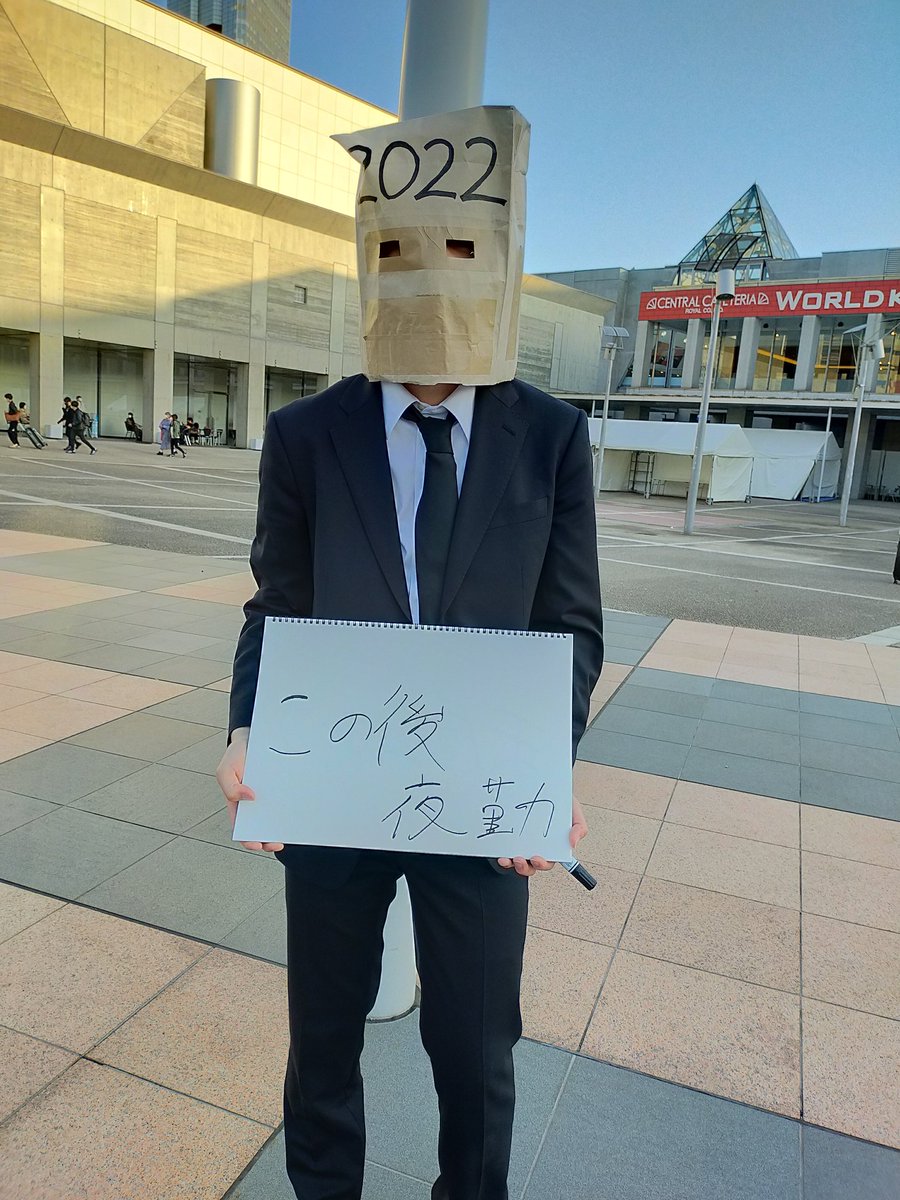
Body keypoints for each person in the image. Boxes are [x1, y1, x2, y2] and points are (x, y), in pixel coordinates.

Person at [216, 106, 604, 1200]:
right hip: (335, 783)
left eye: (464, 248)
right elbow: (277, 605)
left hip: (482, 802)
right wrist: (247, 731)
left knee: (477, 1054)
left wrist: (544, 769)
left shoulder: (551, 436)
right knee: (322, 1041)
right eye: (398, 249)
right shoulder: (306, 434)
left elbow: (571, 624)